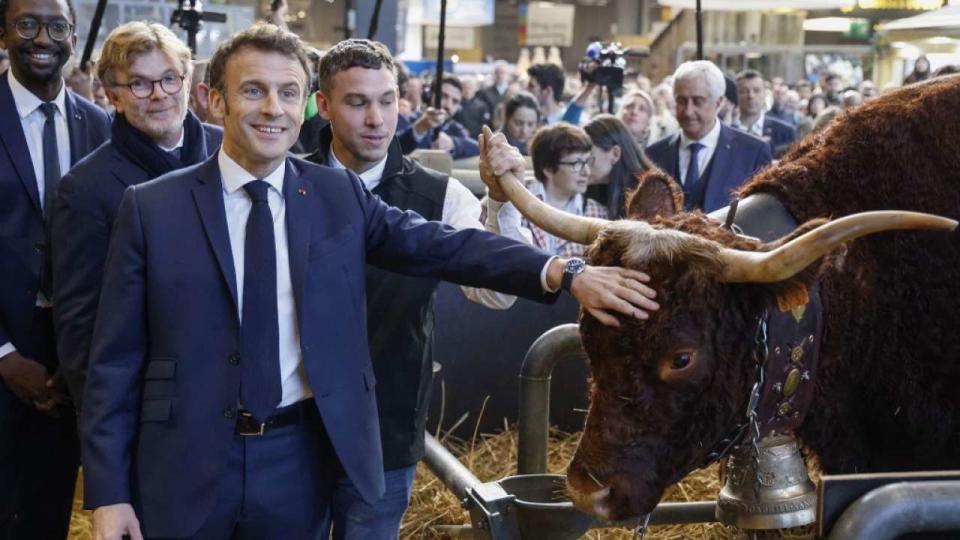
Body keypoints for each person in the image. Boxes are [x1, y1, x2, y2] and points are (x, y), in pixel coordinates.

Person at [82, 24, 660, 540]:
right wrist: (107, 493)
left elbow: (444, 244)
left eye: (287, 93)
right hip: (182, 465)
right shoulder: (152, 207)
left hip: (295, 459)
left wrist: (563, 270)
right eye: (252, 90)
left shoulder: (335, 195)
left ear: (306, 104)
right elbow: (113, 365)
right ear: (215, 100)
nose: (271, 109)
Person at [306, 38, 538, 540]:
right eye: (357, 102)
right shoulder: (285, 177)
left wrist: (502, 202)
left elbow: (496, 294)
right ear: (323, 105)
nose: (376, 119)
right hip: (292, 429)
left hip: (384, 426)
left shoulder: (438, 194)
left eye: (387, 101)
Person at [52, 21, 222, 411]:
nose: (159, 95)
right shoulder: (86, 188)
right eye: (140, 84)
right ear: (112, 96)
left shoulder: (230, 152)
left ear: (187, 79)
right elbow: (82, 332)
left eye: (168, 79)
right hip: (153, 408)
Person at [0, 0, 111, 537]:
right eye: (27, 23)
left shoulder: (100, 126)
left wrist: (82, 353)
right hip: (4, 352)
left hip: (69, 367)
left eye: (57, 25)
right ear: (4, 33)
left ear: (73, 36)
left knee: (45, 516)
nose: (42, 37)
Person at [645, 61, 772, 212]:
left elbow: (764, 216)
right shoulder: (654, 155)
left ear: (718, 103)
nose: (688, 111)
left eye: (698, 102)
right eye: (681, 101)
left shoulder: (752, 153)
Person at [518, 123, 608, 257]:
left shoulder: (597, 214)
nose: (586, 172)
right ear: (548, 169)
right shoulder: (515, 200)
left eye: (587, 161)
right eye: (576, 163)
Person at [585, 114, 651, 220]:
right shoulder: (590, 188)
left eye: (589, 159)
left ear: (615, 154)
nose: (584, 169)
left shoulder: (650, 192)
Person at [398, 74, 479, 159]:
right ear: (429, 95)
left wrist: (453, 143)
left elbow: (477, 148)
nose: (448, 105)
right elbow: (393, 146)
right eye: (444, 96)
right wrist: (419, 128)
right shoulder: (406, 118)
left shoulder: (456, 129)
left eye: (455, 101)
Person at [733, 69, 796, 157]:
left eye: (756, 90)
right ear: (736, 95)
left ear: (765, 94)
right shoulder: (726, 132)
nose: (751, 96)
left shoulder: (785, 132)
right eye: (744, 91)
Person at [502, 90, 540, 155]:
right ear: (506, 118)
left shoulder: (540, 147)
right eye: (518, 123)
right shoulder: (493, 146)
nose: (524, 131)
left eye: (530, 124)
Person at [453, 74, 490, 138]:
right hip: (457, 137)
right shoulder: (455, 103)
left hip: (476, 139)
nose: (467, 90)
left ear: (475, 89)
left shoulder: (482, 105)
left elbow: (485, 124)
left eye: (469, 87)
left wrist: (472, 133)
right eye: (464, 87)